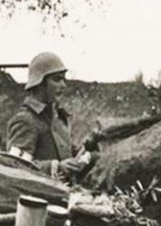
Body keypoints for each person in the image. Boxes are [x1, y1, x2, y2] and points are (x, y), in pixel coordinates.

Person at [6, 52, 95, 180]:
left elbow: (69, 154)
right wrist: (55, 167)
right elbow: (15, 167)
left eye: (63, 79)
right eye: (57, 79)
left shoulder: (57, 118)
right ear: (40, 83)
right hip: (37, 197)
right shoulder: (25, 120)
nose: (63, 85)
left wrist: (85, 155)